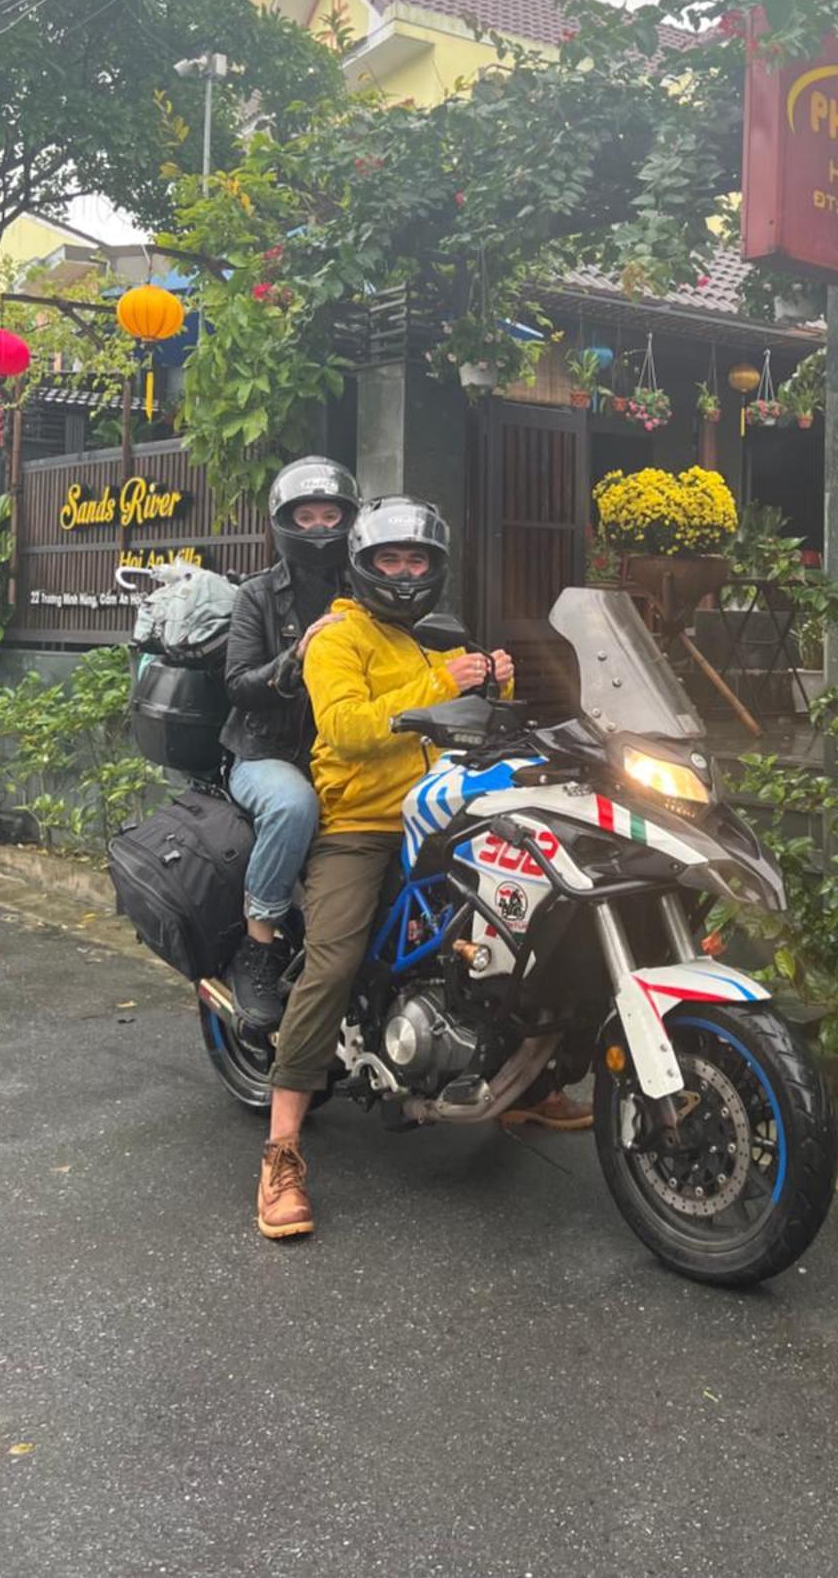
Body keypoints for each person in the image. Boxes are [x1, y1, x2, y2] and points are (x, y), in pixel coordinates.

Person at [255, 496, 586, 1244]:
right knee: (334, 960)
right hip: (364, 823)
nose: (404, 573)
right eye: (390, 560)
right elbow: (348, 725)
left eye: (417, 561)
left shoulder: (430, 638)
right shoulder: (339, 637)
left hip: (447, 816)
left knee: (529, 921)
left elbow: (460, 720)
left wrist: (491, 684)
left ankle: (529, 1082)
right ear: (365, 567)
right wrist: (447, 680)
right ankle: (281, 1150)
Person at [220, 455, 359, 1029]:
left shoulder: (367, 588)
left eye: (331, 515)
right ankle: (261, 941)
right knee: (294, 803)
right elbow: (238, 684)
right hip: (265, 753)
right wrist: (296, 656)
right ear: (284, 522)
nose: (321, 528)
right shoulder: (258, 596)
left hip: (345, 750)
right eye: (307, 516)